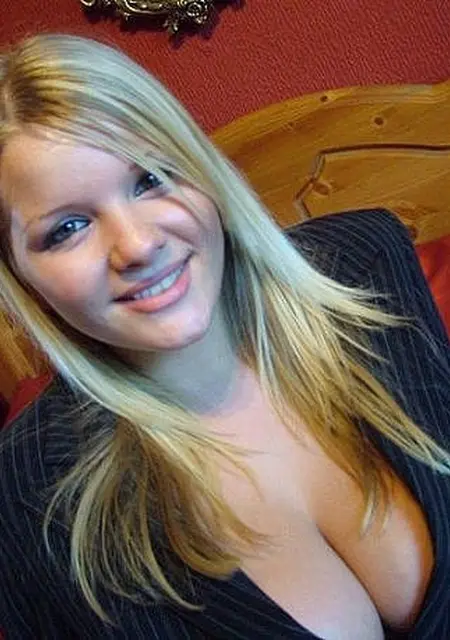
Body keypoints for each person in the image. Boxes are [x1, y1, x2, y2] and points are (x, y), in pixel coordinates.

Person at [0, 34, 449, 640]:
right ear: (20, 277)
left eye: (152, 178)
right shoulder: (27, 495)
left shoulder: (364, 264)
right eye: (68, 228)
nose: (138, 245)